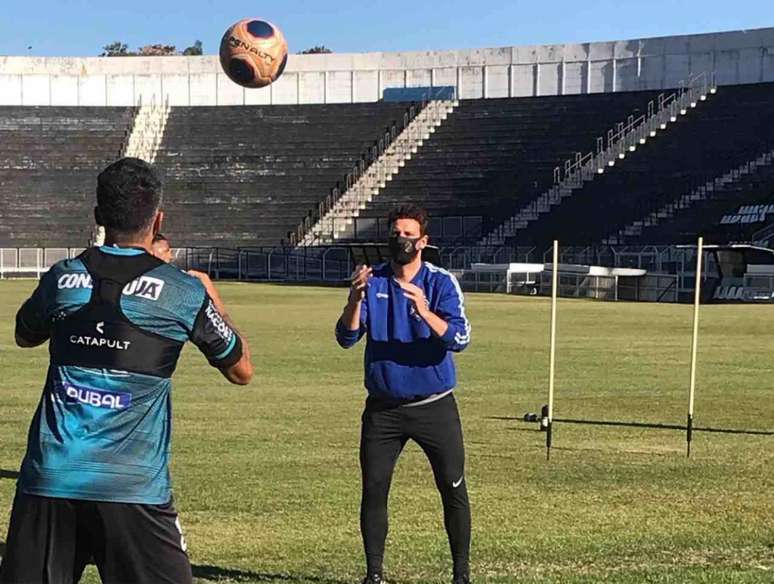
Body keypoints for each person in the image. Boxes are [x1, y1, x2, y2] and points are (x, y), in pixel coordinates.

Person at [0, 157, 253, 584]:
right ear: (158, 220)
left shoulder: (63, 277)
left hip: (51, 476)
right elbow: (240, 368)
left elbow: (25, 335)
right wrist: (213, 297)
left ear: (98, 217)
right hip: (131, 485)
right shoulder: (182, 291)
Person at [335, 204, 472, 584]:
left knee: (452, 484)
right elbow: (346, 338)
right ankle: (374, 573)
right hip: (383, 410)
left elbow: (460, 338)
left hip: (434, 405)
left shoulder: (440, 282)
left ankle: (461, 574)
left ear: (423, 242)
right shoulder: (372, 279)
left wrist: (425, 311)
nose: (401, 241)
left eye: (409, 235)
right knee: (374, 488)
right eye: (396, 233)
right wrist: (355, 300)